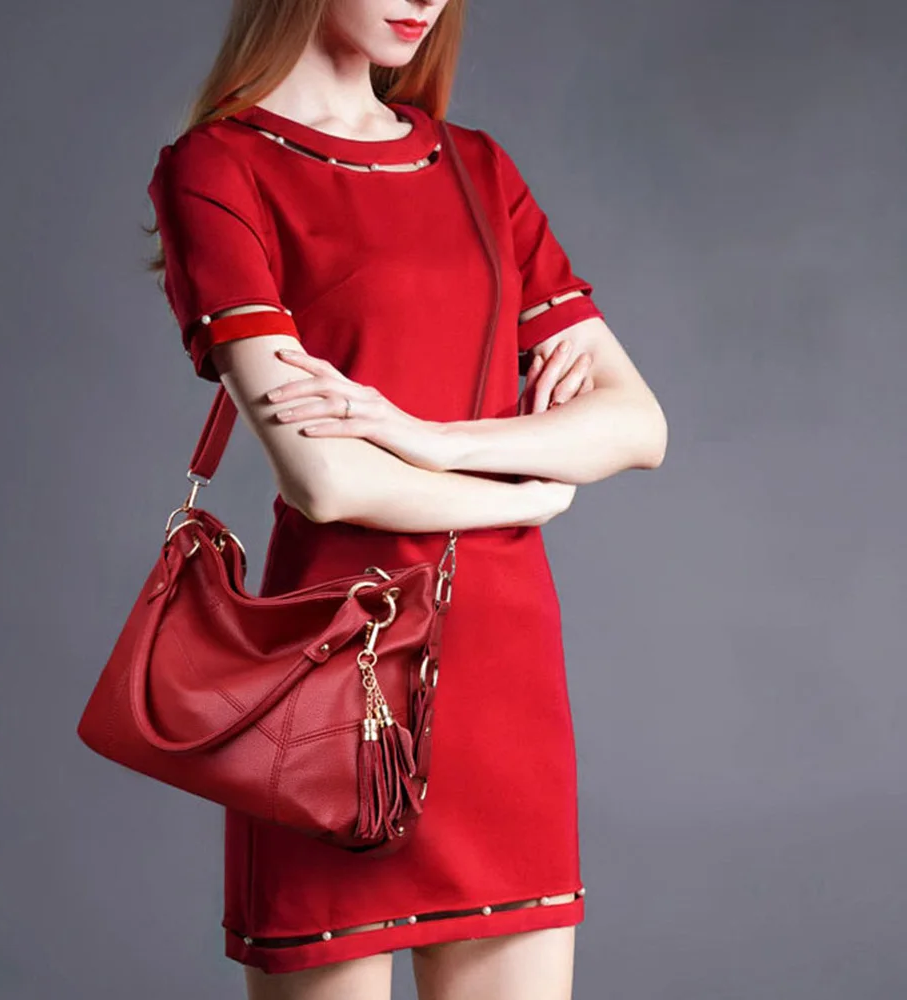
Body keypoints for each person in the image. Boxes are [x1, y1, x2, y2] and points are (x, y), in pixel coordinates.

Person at [146, 0, 667, 996]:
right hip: (333, 689)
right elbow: (326, 480)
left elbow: (637, 424)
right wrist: (527, 492)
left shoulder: (477, 167)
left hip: (502, 678)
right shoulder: (217, 166)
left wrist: (423, 436)